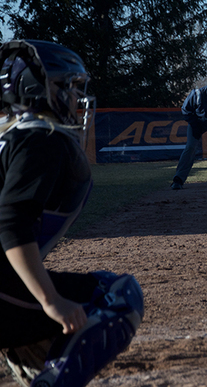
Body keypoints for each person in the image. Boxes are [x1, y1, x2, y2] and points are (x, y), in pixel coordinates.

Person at [0, 40, 144, 387]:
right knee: (117, 294)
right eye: (70, 85)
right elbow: (11, 223)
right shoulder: (41, 140)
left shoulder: (10, 138)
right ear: (38, 88)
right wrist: (51, 302)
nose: (77, 97)